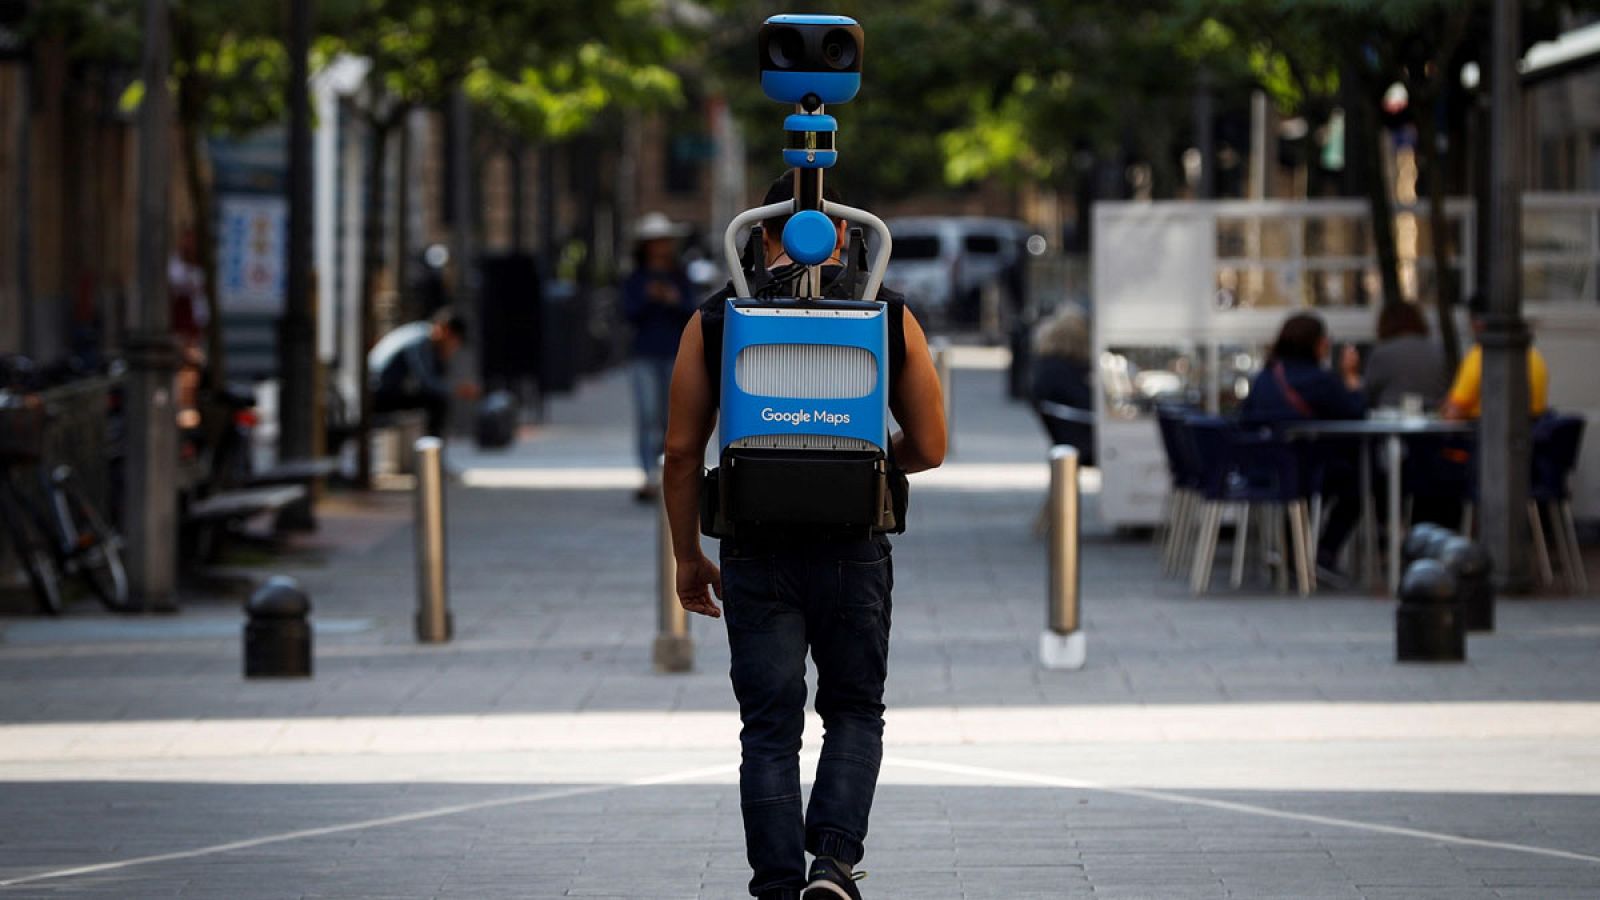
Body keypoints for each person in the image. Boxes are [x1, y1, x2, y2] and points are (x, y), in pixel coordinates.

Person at [662, 173, 946, 900]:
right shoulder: (886, 313)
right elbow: (933, 444)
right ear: (846, 234)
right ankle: (834, 864)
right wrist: (872, 462)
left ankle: (780, 887)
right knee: (853, 709)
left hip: (756, 544)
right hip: (853, 542)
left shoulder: (720, 318)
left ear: (760, 237)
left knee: (768, 726)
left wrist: (687, 556)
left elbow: (680, 453)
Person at [1239, 313, 1366, 581]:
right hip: (1309, 470)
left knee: (1306, 476)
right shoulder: (1322, 380)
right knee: (1360, 482)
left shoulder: (1265, 377)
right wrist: (1352, 378)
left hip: (1262, 470)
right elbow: (1355, 413)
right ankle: (1324, 552)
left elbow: (1245, 418)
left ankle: (1294, 551)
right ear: (1318, 344)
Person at [622, 212, 697, 502]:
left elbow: (692, 312)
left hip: (675, 354)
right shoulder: (636, 278)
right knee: (647, 414)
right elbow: (628, 313)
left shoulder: (680, 276)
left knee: (671, 417)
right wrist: (648, 297)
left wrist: (672, 299)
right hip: (644, 354)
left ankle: (668, 470)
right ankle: (647, 473)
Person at [367, 307, 479, 437]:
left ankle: (431, 448)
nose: (452, 347)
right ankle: (431, 450)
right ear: (444, 330)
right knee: (435, 400)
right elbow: (426, 382)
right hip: (378, 393)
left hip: (384, 388)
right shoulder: (420, 341)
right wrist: (457, 389)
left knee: (434, 398)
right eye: (452, 341)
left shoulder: (422, 335)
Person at [1441, 295, 1549, 420]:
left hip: (1485, 432)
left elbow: (1453, 412)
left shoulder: (1481, 356)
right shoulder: (1534, 355)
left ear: (1478, 323)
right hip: (1531, 433)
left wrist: (1444, 408)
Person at [1030, 304, 1095, 465]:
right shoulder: (1062, 370)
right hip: (1083, 437)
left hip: (1069, 435)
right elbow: (1085, 402)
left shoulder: (1046, 365)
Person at [1363, 303, 1449, 409]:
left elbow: (1368, 393)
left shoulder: (1381, 352)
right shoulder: (1438, 350)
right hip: (1433, 416)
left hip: (1390, 418)